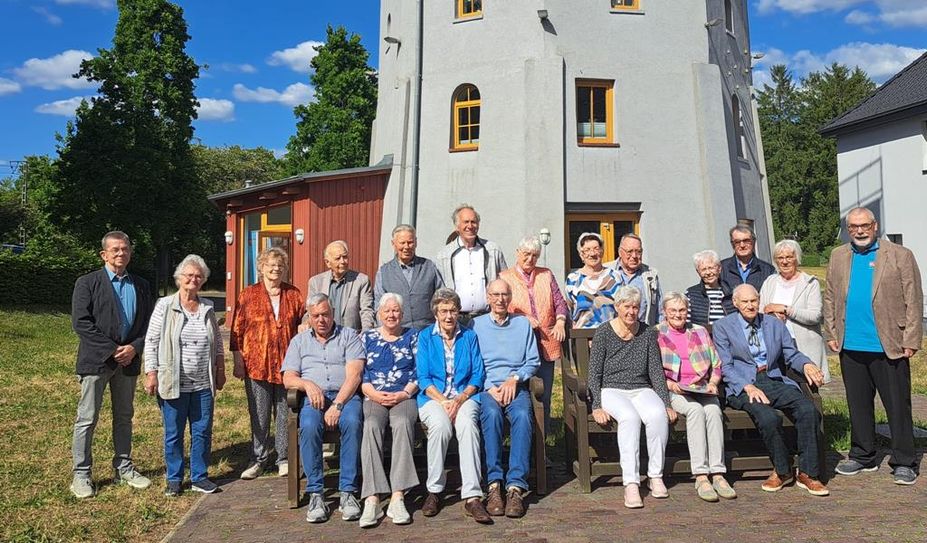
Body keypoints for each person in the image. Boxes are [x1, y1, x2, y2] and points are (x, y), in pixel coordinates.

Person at [823, 207, 923, 485]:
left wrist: (912, 339)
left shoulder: (900, 255)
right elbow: (830, 296)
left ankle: (904, 461)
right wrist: (831, 331)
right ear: (847, 228)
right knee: (858, 405)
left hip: (889, 344)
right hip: (851, 345)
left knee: (897, 407)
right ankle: (863, 455)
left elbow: (914, 299)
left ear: (875, 226)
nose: (859, 231)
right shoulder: (838, 255)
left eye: (864, 225)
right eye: (853, 226)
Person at [713, 284, 828, 496]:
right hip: (742, 384)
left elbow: (791, 354)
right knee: (768, 418)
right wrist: (747, 386)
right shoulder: (723, 327)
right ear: (736, 303)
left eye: (753, 301)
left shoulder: (773, 324)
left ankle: (808, 473)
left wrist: (806, 364)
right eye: (745, 302)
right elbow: (725, 366)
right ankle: (783, 471)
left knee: (807, 409)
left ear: (759, 301)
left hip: (773, 378)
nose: (750, 305)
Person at [69, 231, 153, 499]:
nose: (121, 253)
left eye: (125, 249)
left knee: (124, 417)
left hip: (127, 362)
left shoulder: (141, 285)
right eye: (115, 250)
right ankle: (81, 474)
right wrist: (112, 350)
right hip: (96, 362)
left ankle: (124, 467)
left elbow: (149, 324)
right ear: (104, 254)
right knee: (87, 418)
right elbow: (81, 323)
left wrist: (134, 348)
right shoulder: (87, 283)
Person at [588, 286, 676, 509]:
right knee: (630, 418)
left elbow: (656, 371)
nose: (631, 311)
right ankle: (631, 483)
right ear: (617, 307)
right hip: (612, 389)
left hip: (640, 388)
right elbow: (594, 373)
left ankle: (655, 475)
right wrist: (596, 405)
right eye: (626, 306)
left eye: (635, 307)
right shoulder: (604, 332)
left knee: (657, 416)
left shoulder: (647, 332)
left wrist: (666, 404)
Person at [282, 294, 365, 523]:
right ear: (308, 317)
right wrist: (307, 384)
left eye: (325, 314)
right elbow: (288, 378)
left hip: (345, 396)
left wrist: (338, 404)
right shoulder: (299, 341)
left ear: (333, 313)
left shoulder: (349, 336)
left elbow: (355, 374)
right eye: (315, 315)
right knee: (308, 426)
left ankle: (348, 492)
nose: (321, 320)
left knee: (353, 422)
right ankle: (316, 492)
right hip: (314, 398)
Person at [415, 288, 491, 523]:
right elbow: (423, 378)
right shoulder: (426, 337)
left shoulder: (469, 336)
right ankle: (435, 491)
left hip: (465, 397)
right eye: (444, 311)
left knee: (467, 425)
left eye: (453, 311)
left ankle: (472, 496)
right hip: (433, 398)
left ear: (459, 313)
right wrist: (444, 401)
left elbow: (478, 375)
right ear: (436, 313)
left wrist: (458, 400)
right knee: (440, 427)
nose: (449, 316)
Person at [230, 247, 306, 480]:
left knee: (285, 413)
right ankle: (258, 458)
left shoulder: (294, 294)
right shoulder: (247, 295)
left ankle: (283, 458)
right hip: (256, 364)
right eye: (271, 265)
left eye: (280, 266)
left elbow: (303, 322)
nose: (275, 269)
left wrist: (305, 324)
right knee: (259, 414)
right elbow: (236, 330)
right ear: (261, 268)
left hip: (287, 366)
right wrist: (237, 360)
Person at [655, 292, 735, 502]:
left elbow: (716, 364)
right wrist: (670, 384)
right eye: (673, 310)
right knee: (695, 411)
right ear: (664, 312)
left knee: (713, 410)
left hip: (701, 387)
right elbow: (652, 370)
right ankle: (701, 475)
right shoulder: (656, 334)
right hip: (675, 389)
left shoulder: (698, 331)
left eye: (682, 310)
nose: (678, 315)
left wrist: (712, 383)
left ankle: (717, 473)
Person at [473, 279, 540, 518]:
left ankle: (515, 487)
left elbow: (532, 360)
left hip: (516, 386)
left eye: (504, 294)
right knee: (490, 414)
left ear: (510, 297)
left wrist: (515, 378)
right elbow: (472, 362)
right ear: (488, 297)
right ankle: (494, 485)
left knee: (523, 416)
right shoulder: (476, 325)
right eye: (495, 294)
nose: (500, 299)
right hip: (487, 388)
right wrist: (488, 386)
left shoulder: (522, 325)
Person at [357, 294, 419, 528]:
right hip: (374, 395)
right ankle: (372, 498)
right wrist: (372, 393)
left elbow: (419, 371)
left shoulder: (413, 336)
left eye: (396, 311)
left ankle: (397, 495)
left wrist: (404, 393)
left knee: (403, 423)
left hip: (404, 395)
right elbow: (360, 371)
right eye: (387, 311)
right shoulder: (367, 337)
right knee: (371, 425)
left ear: (402, 315)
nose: (392, 315)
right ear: (379, 314)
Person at [498, 235, 568, 434]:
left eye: (535, 255)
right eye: (526, 254)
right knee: (521, 394)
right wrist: (523, 319)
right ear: (517, 253)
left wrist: (561, 320)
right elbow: (501, 309)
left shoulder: (546, 274)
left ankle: (541, 446)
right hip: (518, 346)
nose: (530, 259)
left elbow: (560, 302)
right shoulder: (505, 277)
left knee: (544, 395)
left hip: (546, 342)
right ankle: (519, 440)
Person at [759, 239, 829, 383]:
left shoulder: (810, 283)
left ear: (797, 258)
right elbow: (762, 311)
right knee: (779, 385)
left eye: (789, 257)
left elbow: (815, 316)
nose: (784, 262)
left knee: (807, 388)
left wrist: (785, 309)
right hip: (775, 343)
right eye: (780, 258)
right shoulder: (770, 282)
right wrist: (772, 314)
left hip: (802, 344)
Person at [435, 204, 508, 324]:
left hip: (487, 317)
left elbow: (505, 281)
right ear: (457, 226)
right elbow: (439, 291)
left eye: (473, 222)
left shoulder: (493, 250)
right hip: (456, 320)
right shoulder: (444, 255)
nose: (470, 226)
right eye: (466, 222)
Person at [374, 224, 444, 330]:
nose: (406, 247)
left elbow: (442, 298)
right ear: (393, 244)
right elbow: (378, 307)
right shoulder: (383, 272)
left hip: (427, 332)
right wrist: (385, 333)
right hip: (397, 334)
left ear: (416, 243)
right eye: (402, 243)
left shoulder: (429, 266)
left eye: (410, 242)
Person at [308, 240, 375, 331]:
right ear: (328, 262)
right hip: (323, 339)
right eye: (338, 258)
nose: (343, 261)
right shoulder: (316, 282)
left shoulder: (361, 281)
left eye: (345, 257)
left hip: (351, 339)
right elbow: (309, 312)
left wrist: (365, 335)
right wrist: (305, 323)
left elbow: (367, 311)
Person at [605, 234, 663, 325]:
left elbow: (660, 312)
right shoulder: (606, 272)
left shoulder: (650, 275)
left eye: (638, 251)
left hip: (643, 334)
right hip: (613, 334)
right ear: (620, 252)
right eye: (629, 251)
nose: (634, 256)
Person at [565, 232, 620, 329]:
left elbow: (622, 307)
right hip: (582, 338)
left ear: (602, 252)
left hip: (611, 336)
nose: (592, 253)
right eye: (587, 250)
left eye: (596, 249)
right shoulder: (573, 279)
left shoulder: (615, 277)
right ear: (581, 254)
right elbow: (568, 310)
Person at [685, 249, 735, 332]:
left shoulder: (731, 292)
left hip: (728, 340)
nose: (708, 272)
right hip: (701, 341)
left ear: (719, 269)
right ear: (698, 272)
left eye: (711, 268)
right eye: (703, 269)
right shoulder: (691, 294)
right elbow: (686, 323)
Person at [720, 224, 776, 293]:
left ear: (754, 242)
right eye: (737, 242)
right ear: (732, 245)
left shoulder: (768, 270)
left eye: (746, 241)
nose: (742, 245)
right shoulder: (721, 269)